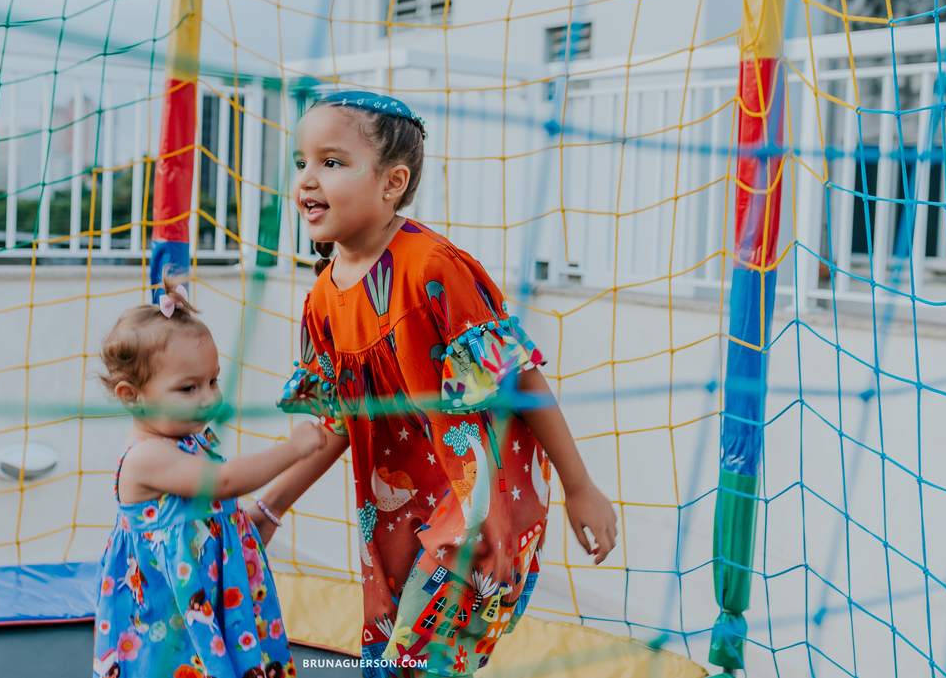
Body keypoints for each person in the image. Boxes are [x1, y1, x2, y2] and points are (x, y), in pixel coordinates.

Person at [248, 91, 618, 677]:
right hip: (397, 517)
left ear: (393, 182)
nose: (307, 180)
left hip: (480, 508)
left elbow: (517, 376)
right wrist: (267, 510)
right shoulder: (322, 301)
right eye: (302, 163)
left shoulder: (431, 269)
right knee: (383, 664)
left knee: (416, 667)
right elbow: (334, 424)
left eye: (332, 162)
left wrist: (579, 486)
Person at [93, 281, 326, 678]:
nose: (209, 398)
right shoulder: (146, 457)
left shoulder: (187, 437)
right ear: (131, 396)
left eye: (213, 381)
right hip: (173, 613)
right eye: (188, 388)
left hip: (218, 590)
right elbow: (223, 482)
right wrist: (293, 447)